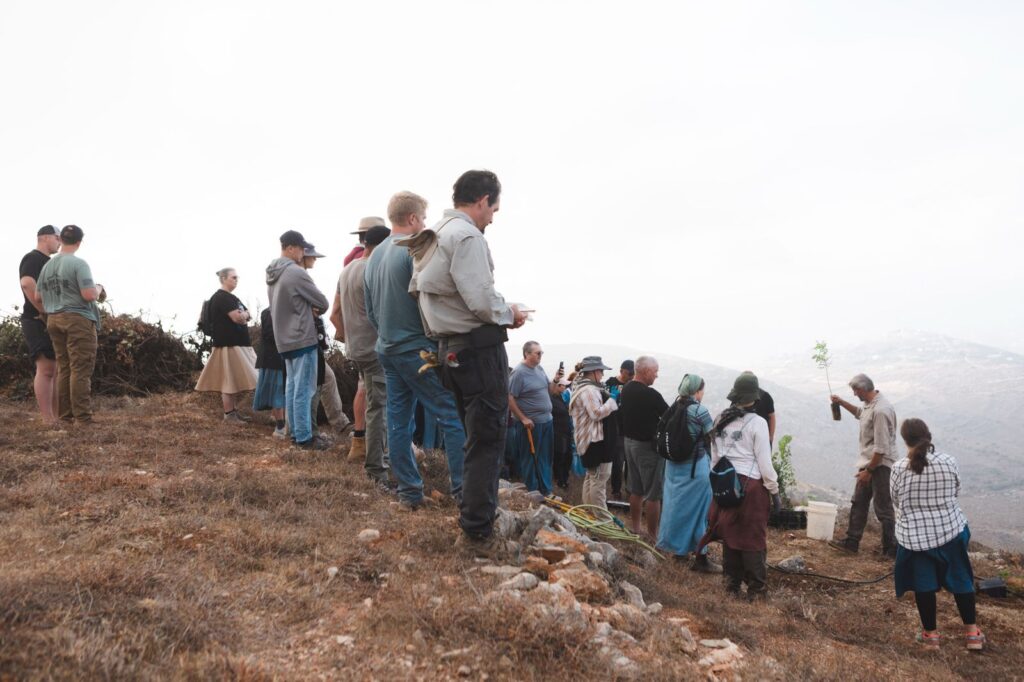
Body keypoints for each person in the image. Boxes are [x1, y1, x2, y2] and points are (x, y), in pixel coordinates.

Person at [407, 169, 528, 554]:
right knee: (488, 437)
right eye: (494, 207)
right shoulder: (466, 236)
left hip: (449, 350)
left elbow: (422, 294)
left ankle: (473, 514)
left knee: (473, 436)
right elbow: (479, 300)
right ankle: (477, 529)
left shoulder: (432, 236)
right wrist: (511, 313)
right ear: (482, 201)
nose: (493, 216)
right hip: (477, 350)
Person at [366, 191, 467, 508]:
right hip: (416, 348)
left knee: (398, 420)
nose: (425, 224)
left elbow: (370, 311)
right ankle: (465, 491)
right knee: (452, 414)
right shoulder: (412, 251)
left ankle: (409, 492)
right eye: (423, 218)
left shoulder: (374, 256)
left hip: (387, 347)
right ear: (412, 219)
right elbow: (429, 302)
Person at [891, 418, 984, 651]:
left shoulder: (899, 467)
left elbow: (896, 500)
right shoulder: (948, 461)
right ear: (928, 435)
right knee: (962, 579)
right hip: (951, 531)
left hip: (915, 539)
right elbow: (956, 490)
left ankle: (931, 637)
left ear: (905, 440)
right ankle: (972, 634)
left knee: (924, 585)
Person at [701, 372, 781, 599]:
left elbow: (715, 458)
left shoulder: (720, 418)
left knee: (731, 534)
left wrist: (718, 485)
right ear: (755, 399)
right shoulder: (758, 423)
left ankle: (731, 586)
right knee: (753, 538)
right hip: (751, 487)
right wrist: (774, 493)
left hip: (725, 484)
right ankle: (756, 590)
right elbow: (765, 463)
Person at [334, 225, 390, 483]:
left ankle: (364, 450)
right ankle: (378, 465)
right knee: (379, 405)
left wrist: (348, 337)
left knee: (370, 400)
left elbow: (335, 312)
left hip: (355, 347)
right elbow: (380, 312)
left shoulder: (347, 270)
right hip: (374, 347)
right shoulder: (373, 269)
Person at [266, 230, 330, 450]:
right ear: (290, 248)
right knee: (304, 389)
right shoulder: (295, 272)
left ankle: (296, 434)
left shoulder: (273, 273)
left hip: (283, 339)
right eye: (301, 248)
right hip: (302, 337)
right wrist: (314, 310)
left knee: (292, 388)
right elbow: (322, 302)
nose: (304, 253)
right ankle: (304, 438)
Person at [37, 225, 104, 425]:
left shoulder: (47, 266)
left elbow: (37, 296)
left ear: (62, 240)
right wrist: (98, 288)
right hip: (77, 319)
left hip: (54, 319)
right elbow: (89, 294)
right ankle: (83, 418)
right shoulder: (78, 264)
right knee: (80, 368)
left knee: (65, 368)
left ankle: (66, 417)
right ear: (79, 242)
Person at [828, 373, 898, 558]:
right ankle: (851, 543)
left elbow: (881, 448)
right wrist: (841, 403)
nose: (854, 394)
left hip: (879, 465)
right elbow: (861, 414)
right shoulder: (870, 405)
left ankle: (890, 550)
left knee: (883, 508)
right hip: (869, 462)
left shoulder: (881, 410)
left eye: (855, 390)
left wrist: (869, 471)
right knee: (858, 502)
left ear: (863, 389)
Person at [658, 374, 720, 573]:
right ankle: (701, 558)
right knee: (699, 513)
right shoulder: (700, 411)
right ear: (696, 391)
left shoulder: (673, 407)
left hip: (673, 468)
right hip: (695, 469)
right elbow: (713, 437)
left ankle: (678, 552)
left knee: (675, 509)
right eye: (702, 390)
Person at [195, 268, 258, 421]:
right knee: (229, 380)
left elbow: (247, 314)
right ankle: (229, 414)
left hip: (237, 344)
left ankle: (232, 413)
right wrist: (245, 315)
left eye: (237, 277)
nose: (236, 280)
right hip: (228, 345)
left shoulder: (231, 297)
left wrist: (245, 314)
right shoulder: (221, 297)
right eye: (233, 277)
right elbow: (238, 318)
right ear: (224, 279)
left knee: (232, 379)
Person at [619, 355, 668, 540]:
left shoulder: (627, 388)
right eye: (655, 372)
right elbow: (668, 415)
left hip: (629, 443)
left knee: (636, 489)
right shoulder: (651, 394)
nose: (656, 376)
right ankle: (653, 536)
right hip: (647, 447)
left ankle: (636, 528)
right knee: (653, 494)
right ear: (646, 371)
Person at [18, 225, 61, 423]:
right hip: (35, 320)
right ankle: (47, 420)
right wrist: (43, 310)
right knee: (45, 368)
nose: (60, 241)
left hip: (51, 320)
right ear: (44, 237)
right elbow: (27, 283)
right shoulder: (33, 258)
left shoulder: (51, 262)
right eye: (57, 237)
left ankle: (56, 417)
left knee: (55, 369)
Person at [508, 341, 562, 495]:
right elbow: (510, 398)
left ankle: (546, 490)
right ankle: (533, 491)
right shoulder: (518, 372)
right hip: (531, 424)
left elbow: (550, 390)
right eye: (537, 353)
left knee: (545, 457)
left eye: (541, 353)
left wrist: (556, 380)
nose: (540, 356)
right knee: (530, 458)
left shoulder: (539, 369)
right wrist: (523, 418)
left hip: (546, 421)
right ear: (527, 354)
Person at [569, 356, 620, 510]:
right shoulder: (590, 390)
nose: (603, 375)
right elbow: (596, 414)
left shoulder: (581, 386)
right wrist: (612, 401)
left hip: (587, 440)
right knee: (599, 481)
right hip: (593, 441)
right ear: (595, 371)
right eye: (601, 371)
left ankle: (588, 513)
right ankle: (601, 520)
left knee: (591, 478)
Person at [252, 308, 287, 438]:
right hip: (272, 359)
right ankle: (280, 427)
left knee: (279, 393)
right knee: (277, 394)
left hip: (279, 358)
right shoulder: (269, 312)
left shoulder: (281, 310)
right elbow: (270, 334)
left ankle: (281, 425)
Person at [606, 359, 633, 499]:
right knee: (618, 462)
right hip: (616, 429)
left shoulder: (633, 385)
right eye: (629, 374)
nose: (631, 377)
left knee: (630, 463)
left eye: (633, 374)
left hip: (630, 430)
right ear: (622, 371)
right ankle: (616, 491)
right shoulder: (610, 383)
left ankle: (629, 491)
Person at [551, 376, 575, 489]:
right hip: (558, 432)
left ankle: (564, 478)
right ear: (557, 386)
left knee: (568, 456)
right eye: (563, 385)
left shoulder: (561, 397)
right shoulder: (551, 399)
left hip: (566, 431)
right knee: (560, 456)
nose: (565, 387)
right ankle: (560, 479)